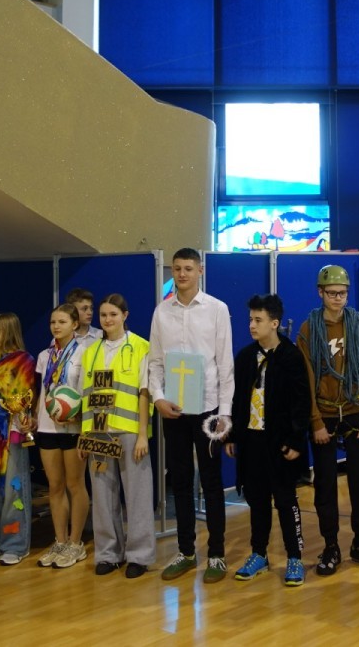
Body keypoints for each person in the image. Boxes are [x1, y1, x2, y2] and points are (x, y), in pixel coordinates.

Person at [298, 264, 359, 576]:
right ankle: (330, 546)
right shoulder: (308, 330)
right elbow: (305, 380)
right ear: (320, 293)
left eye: (342, 293)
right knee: (325, 484)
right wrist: (315, 422)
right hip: (324, 414)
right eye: (332, 293)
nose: (338, 298)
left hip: (356, 411)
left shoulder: (358, 325)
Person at [148, 247, 235, 583]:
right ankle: (186, 552)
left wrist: (224, 414)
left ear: (200, 271)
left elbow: (225, 365)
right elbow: (155, 363)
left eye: (188, 268)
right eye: (177, 269)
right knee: (181, 482)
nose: (182, 274)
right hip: (174, 410)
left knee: (211, 483)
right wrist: (158, 398)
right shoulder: (161, 312)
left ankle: (217, 555)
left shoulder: (216, 309)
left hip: (208, 409)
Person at [226, 294, 310, 588]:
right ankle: (259, 553)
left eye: (258, 320)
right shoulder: (245, 357)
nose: (252, 325)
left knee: (285, 501)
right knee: (257, 500)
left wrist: (295, 441)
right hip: (252, 442)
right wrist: (232, 434)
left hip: (280, 444)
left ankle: (295, 557)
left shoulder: (291, 357)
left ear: (274, 323)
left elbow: (301, 402)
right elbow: (237, 400)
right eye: (250, 319)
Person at [80, 293, 154, 578]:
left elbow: (144, 393)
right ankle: (108, 554)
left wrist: (143, 434)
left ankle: (139, 555)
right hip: (99, 432)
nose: (108, 319)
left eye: (113, 314)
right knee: (102, 495)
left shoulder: (141, 347)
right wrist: (85, 435)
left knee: (137, 495)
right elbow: (86, 396)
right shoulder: (90, 352)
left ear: (125, 315)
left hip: (130, 431)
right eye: (103, 315)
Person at [0, 312, 37, 565]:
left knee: (14, 488)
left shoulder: (24, 360)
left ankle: (15, 544)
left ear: (9, 331)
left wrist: (25, 422)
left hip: (13, 430)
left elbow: (26, 397)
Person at [34, 303, 89, 569]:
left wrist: (82, 421)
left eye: (62, 322)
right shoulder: (44, 355)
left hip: (74, 428)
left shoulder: (85, 352)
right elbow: (42, 391)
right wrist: (35, 418)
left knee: (75, 484)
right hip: (47, 426)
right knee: (54, 486)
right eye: (53, 322)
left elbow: (89, 392)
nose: (56, 326)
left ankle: (76, 543)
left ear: (75, 324)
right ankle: (60, 540)